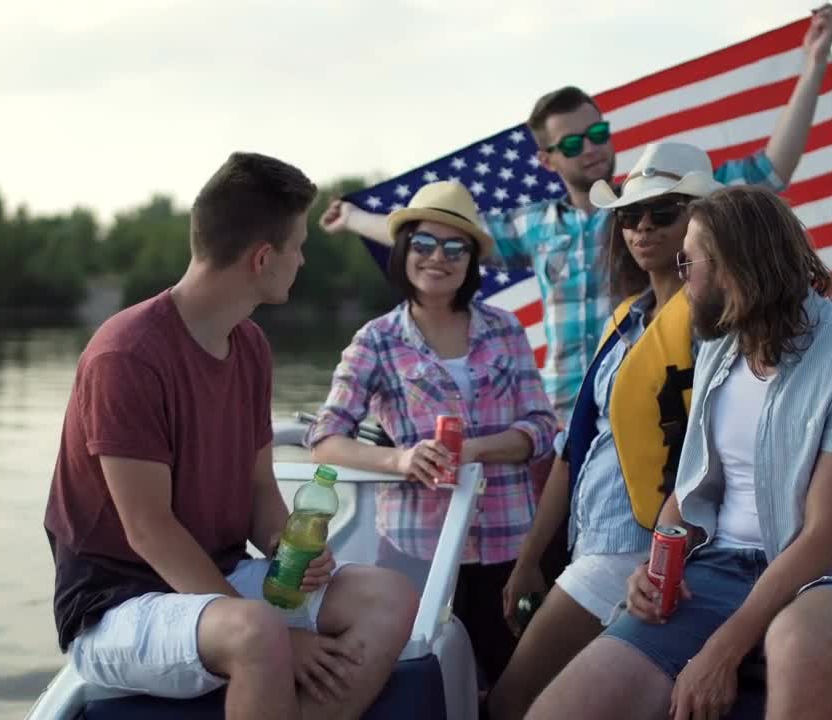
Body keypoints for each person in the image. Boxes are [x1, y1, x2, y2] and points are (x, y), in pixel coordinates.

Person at [319, 4, 832, 424]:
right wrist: (354, 218)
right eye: (572, 143)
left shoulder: (659, 202)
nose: (591, 149)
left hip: (654, 406)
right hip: (564, 415)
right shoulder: (533, 226)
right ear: (547, 160)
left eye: (597, 133)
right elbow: (435, 231)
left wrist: (814, 61)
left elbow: (772, 171)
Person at [43, 152, 419, 720]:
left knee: (388, 597)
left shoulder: (250, 348)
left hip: (216, 576)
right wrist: (279, 637)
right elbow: (148, 532)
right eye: (297, 246)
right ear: (263, 259)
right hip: (115, 602)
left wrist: (288, 550)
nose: (302, 260)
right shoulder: (126, 356)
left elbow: (259, 495)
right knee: (258, 632)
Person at [527, 185, 832, 720]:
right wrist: (656, 565)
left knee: (797, 642)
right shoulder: (718, 346)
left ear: (734, 263)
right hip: (718, 567)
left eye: (689, 259)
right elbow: (692, 489)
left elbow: (825, 537)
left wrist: (721, 650)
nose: (679, 272)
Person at [489, 141, 726, 720]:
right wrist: (530, 558)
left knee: (510, 701)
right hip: (590, 545)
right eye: (629, 216)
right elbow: (575, 451)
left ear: (699, 222)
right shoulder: (625, 320)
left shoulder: (715, 327)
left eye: (662, 213)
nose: (642, 227)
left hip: (638, 552)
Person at [305, 180, 556, 693]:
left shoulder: (506, 328)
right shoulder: (376, 340)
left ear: (469, 260)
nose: (437, 257)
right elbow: (325, 439)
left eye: (453, 247)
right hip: (417, 549)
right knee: (421, 681)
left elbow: (542, 428)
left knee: (514, 683)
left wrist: (475, 451)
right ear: (403, 253)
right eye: (423, 244)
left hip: (508, 546)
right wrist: (401, 460)